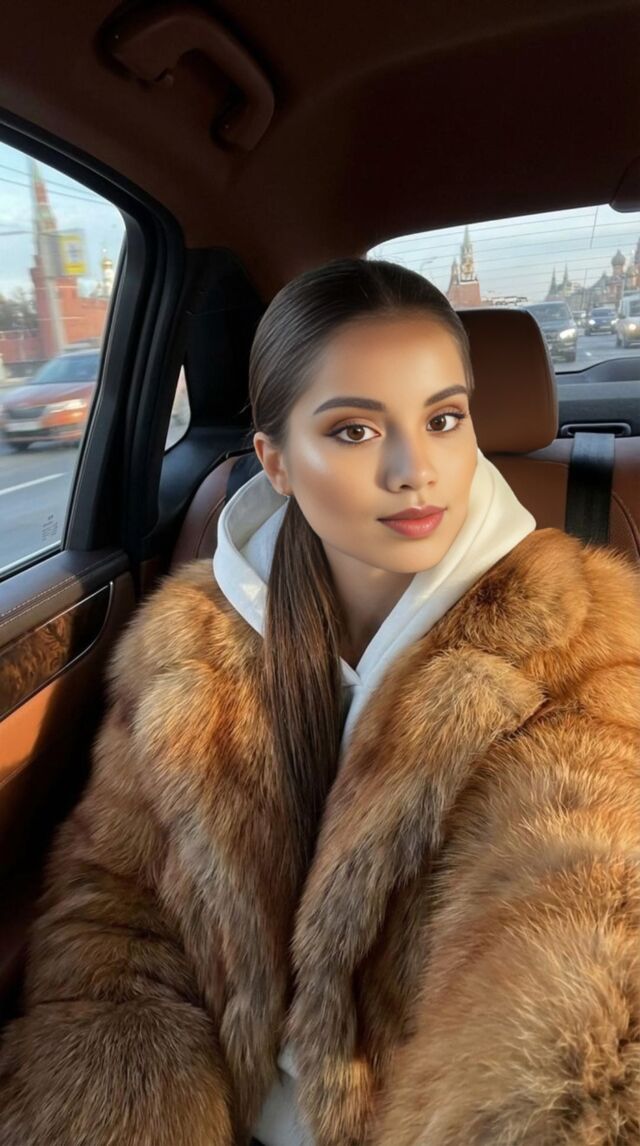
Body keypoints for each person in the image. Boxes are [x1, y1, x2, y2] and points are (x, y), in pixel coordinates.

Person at [1, 257, 639, 1146]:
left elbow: (586, 882)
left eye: (444, 419)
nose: (417, 470)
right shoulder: (189, 648)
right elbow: (117, 894)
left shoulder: (580, 636)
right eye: (354, 430)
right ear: (277, 461)